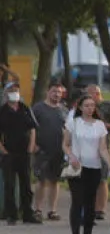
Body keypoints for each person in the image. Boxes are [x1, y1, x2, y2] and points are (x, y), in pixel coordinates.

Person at [63, 94, 110, 234]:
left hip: (94, 167)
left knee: (90, 204)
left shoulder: (99, 125)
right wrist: (71, 156)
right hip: (77, 167)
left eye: (92, 106)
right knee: (77, 200)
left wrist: (109, 163)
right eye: (87, 105)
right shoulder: (73, 123)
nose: (90, 108)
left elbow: (102, 148)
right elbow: (65, 144)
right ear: (81, 107)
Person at [0, 81, 38, 224]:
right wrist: (3, 150)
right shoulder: (2, 111)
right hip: (8, 152)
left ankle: (28, 213)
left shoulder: (25, 108)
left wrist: (31, 146)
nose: (14, 92)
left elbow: (32, 128)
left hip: (24, 152)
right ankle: (11, 214)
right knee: (9, 184)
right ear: (6, 93)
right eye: (11, 90)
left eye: (16, 90)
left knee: (26, 184)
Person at [32, 82, 68, 222]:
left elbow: (68, 130)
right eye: (54, 91)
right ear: (48, 92)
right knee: (41, 181)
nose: (57, 94)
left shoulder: (64, 110)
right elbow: (31, 128)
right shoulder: (38, 108)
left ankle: (52, 210)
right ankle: (37, 209)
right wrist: (33, 144)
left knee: (55, 181)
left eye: (59, 92)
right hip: (42, 150)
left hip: (59, 151)